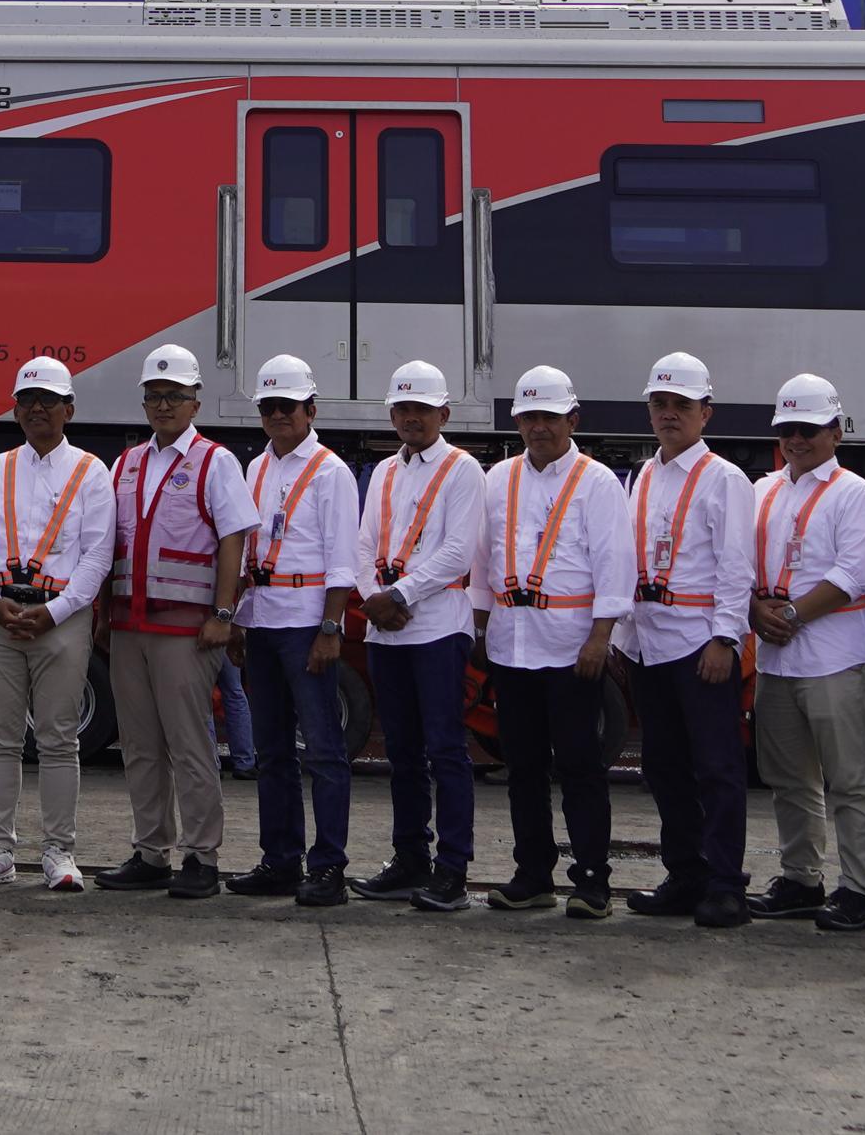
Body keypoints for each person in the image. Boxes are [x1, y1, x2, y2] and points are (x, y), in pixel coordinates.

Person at [97, 343, 256, 898]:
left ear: (196, 402)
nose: (163, 405)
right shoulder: (127, 462)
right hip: (129, 625)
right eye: (154, 396)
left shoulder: (215, 461)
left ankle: (203, 858)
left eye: (175, 396)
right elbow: (108, 543)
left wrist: (223, 614)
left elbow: (235, 537)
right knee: (139, 745)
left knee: (190, 745)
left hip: (188, 629)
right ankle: (150, 851)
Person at [476, 364, 634, 918]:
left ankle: (592, 880)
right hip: (512, 642)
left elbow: (615, 562)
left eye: (549, 416)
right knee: (521, 767)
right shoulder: (498, 478)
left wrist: (601, 636)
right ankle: (532, 873)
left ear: (572, 419)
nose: (538, 427)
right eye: (529, 417)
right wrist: (479, 625)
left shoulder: (596, 481)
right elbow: (484, 559)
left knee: (579, 765)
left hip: (572, 647)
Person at [0, 356, 114, 892]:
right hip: (0, 615)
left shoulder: (92, 471)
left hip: (60, 621)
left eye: (48, 400)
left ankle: (59, 851)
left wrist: (56, 611)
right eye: (27, 400)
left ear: (69, 408)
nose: (36, 409)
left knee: (58, 739)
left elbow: (98, 555)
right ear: (16, 409)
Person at [744, 371, 865, 931]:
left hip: (836, 655)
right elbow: (743, 566)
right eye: (788, 431)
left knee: (850, 778)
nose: (796, 441)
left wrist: (792, 614)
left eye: (808, 429)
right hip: (779, 657)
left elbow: (854, 573)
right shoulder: (764, 491)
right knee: (788, 777)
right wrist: (756, 612)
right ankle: (802, 878)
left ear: (835, 432)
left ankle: (859, 889)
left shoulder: (854, 493)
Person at [624, 352, 756, 928]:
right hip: (649, 642)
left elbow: (736, 565)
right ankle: (685, 874)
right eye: (660, 404)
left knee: (718, 768)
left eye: (682, 405)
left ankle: (726, 882)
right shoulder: (644, 474)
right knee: (664, 765)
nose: (669, 415)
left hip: (699, 643)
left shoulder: (724, 478)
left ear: (706, 412)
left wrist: (726, 638)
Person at [226, 353, 357, 906]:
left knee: (324, 750)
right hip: (261, 619)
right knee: (272, 751)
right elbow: (243, 549)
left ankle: (327, 866)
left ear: (310, 409)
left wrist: (331, 627)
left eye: (288, 406)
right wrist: (235, 619)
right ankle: (280, 859)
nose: (278, 415)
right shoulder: (256, 469)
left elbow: (343, 559)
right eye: (269, 407)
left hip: (306, 624)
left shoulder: (331, 471)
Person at [355, 360, 486, 909]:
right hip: (387, 631)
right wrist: (372, 601)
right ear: (392, 414)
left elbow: (460, 550)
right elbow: (362, 546)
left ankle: (452, 869)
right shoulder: (385, 471)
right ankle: (410, 857)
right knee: (401, 752)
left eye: (421, 409)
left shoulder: (463, 470)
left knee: (445, 750)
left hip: (434, 626)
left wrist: (399, 597)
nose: (411, 418)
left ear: (443, 413)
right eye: (402, 409)